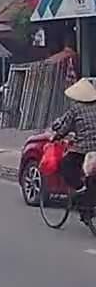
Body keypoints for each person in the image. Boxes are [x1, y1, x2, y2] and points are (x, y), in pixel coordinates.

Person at [49, 77, 96, 223]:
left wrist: (56, 136)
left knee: (66, 165)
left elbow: (64, 128)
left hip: (85, 148)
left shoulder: (76, 109)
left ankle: (80, 188)